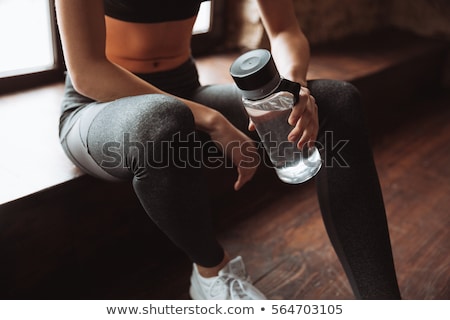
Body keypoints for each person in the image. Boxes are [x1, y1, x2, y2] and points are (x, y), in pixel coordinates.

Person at [55, 0, 402, 300]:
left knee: (338, 101)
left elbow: (284, 31)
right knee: (163, 119)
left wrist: (293, 88)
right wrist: (210, 119)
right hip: (98, 108)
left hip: (185, 92)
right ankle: (211, 273)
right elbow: (88, 71)